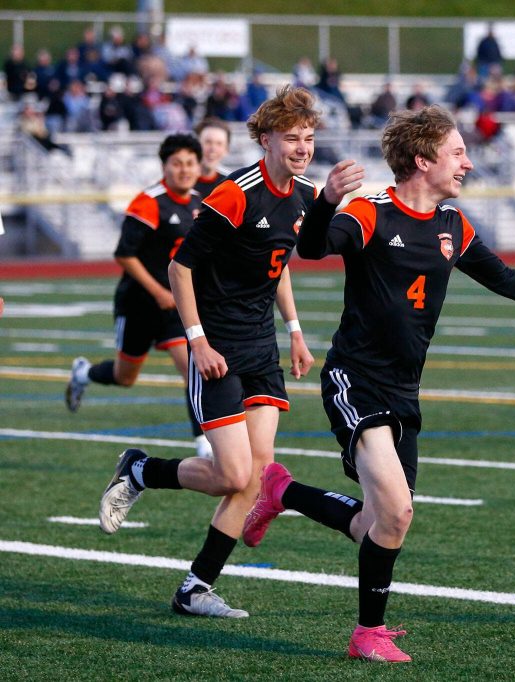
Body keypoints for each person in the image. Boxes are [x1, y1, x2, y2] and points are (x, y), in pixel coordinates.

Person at [240, 104, 515, 662]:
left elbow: (505, 279)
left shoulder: (452, 225)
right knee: (396, 512)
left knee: (377, 523)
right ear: (423, 161)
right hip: (356, 380)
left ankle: (281, 490)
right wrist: (325, 202)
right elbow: (315, 248)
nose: (467, 163)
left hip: (405, 391)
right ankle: (366, 634)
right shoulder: (372, 213)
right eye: (458, 152)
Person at [96, 86, 365, 618]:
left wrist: (293, 328)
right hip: (215, 347)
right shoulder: (233, 193)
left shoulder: (307, 194)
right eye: (292, 138)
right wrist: (196, 340)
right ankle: (141, 470)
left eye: (309, 138)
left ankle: (195, 587)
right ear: (265, 139)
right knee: (232, 474)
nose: (302, 147)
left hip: (261, 349)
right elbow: (180, 267)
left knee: (255, 474)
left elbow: (283, 260)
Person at [65, 134, 211, 457]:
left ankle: (202, 443)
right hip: (138, 304)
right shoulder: (149, 201)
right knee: (124, 376)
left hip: (174, 306)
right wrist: (158, 290)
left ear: (199, 166)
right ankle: (84, 373)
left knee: (191, 368)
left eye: (190, 163)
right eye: (177, 163)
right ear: (164, 166)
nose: (184, 170)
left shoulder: (201, 202)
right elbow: (124, 254)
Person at [193, 118, 231, 198]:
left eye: (219, 144)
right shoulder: (179, 181)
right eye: (208, 142)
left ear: (226, 150)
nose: (213, 149)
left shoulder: (232, 183)